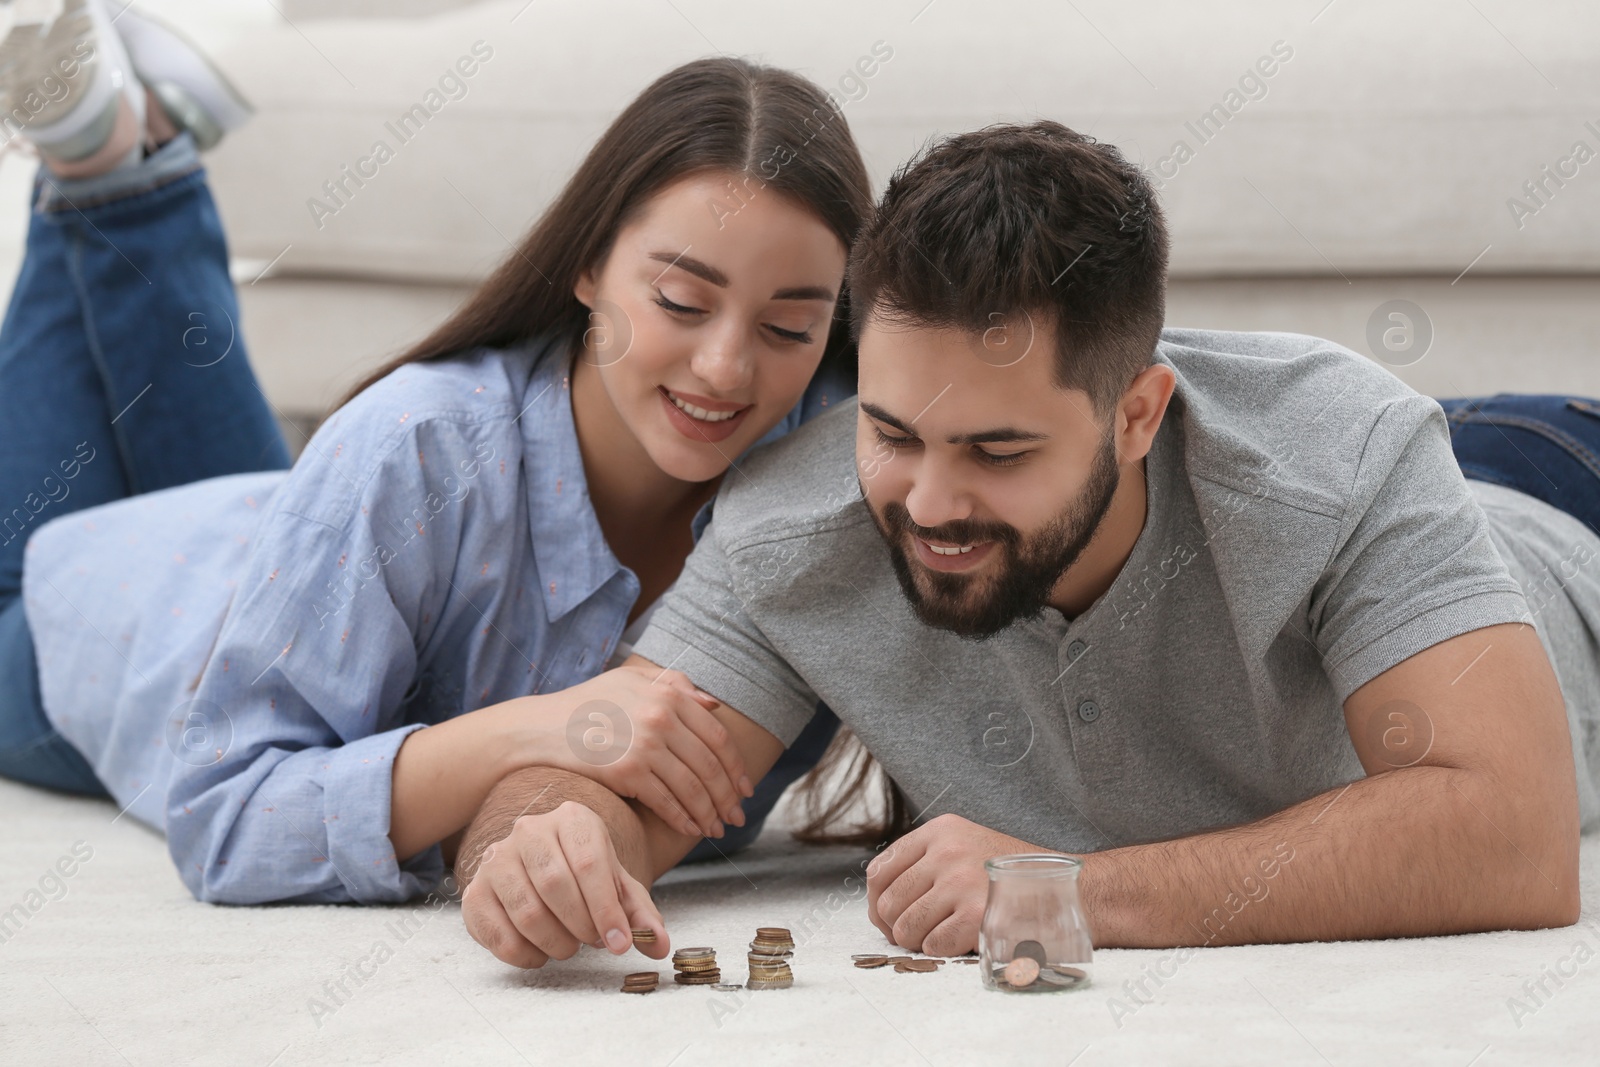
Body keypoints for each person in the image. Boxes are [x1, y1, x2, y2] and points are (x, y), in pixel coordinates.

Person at [451, 120, 1600, 969]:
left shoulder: (1343, 456)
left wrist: (1070, 891)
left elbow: (1513, 834)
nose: (930, 502)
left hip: (1550, 488)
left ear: (1139, 414)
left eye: (997, 451)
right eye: (894, 432)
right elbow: (612, 773)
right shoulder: (794, 529)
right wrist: (538, 841)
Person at [0, 0, 867, 905]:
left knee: (286, 488)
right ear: (586, 266)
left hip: (281, 534)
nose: (727, 368)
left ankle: (120, 156)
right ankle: (106, 167)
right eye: (682, 304)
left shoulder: (845, 486)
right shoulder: (419, 445)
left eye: (789, 325)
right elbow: (225, 812)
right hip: (107, 622)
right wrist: (543, 727)